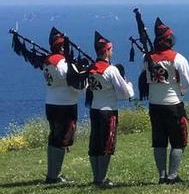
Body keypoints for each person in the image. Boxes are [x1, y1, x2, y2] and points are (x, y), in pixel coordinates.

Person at [142, 17, 189, 184]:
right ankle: (172, 175)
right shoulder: (177, 58)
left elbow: (144, 78)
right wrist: (181, 92)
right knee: (178, 141)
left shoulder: (147, 58)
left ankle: (162, 175)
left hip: (154, 105)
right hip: (173, 105)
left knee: (159, 141)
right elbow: (186, 82)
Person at [86, 31, 135, 188]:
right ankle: (102, 178)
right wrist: (130, 87)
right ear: (106, 51)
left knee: (95, 144)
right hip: (108, 111)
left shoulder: (91, 68)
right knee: (107, 144)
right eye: (111, 49)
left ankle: (96, 176)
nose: (112, 52)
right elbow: (124, 93)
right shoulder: (111, 70)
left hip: (94, 109)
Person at [42, 28, 84, 184]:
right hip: (65, 105)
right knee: (61, 139)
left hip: (51, 103)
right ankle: (55, 176)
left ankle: (51, 173)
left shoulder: (47, 61)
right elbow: (76, 84)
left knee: (54, 138)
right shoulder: (63, 63)